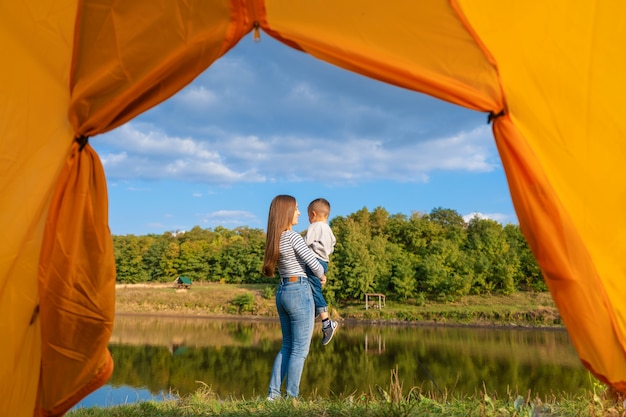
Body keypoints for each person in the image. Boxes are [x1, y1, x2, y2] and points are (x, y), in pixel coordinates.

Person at [262, 195, 326, 401]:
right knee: (299, 350)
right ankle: (292, 397)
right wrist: (322, 275)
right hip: (299, 291)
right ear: (287, 212)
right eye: (296, 209)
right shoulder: (293, 237)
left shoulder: (275, 238)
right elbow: (314, 265)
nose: (299, 212)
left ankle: (273, 396)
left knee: (287, 346)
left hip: (282, 291)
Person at [304, 198, 338, 345]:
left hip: (314, 261)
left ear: (313, 214)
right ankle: (316, 310)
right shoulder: (328, 229)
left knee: (315, 290)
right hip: (324, 262)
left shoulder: (315, 226)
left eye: (308, 216)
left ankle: (327, 322)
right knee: (314, 288)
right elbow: (332, 246)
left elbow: (304, 243)